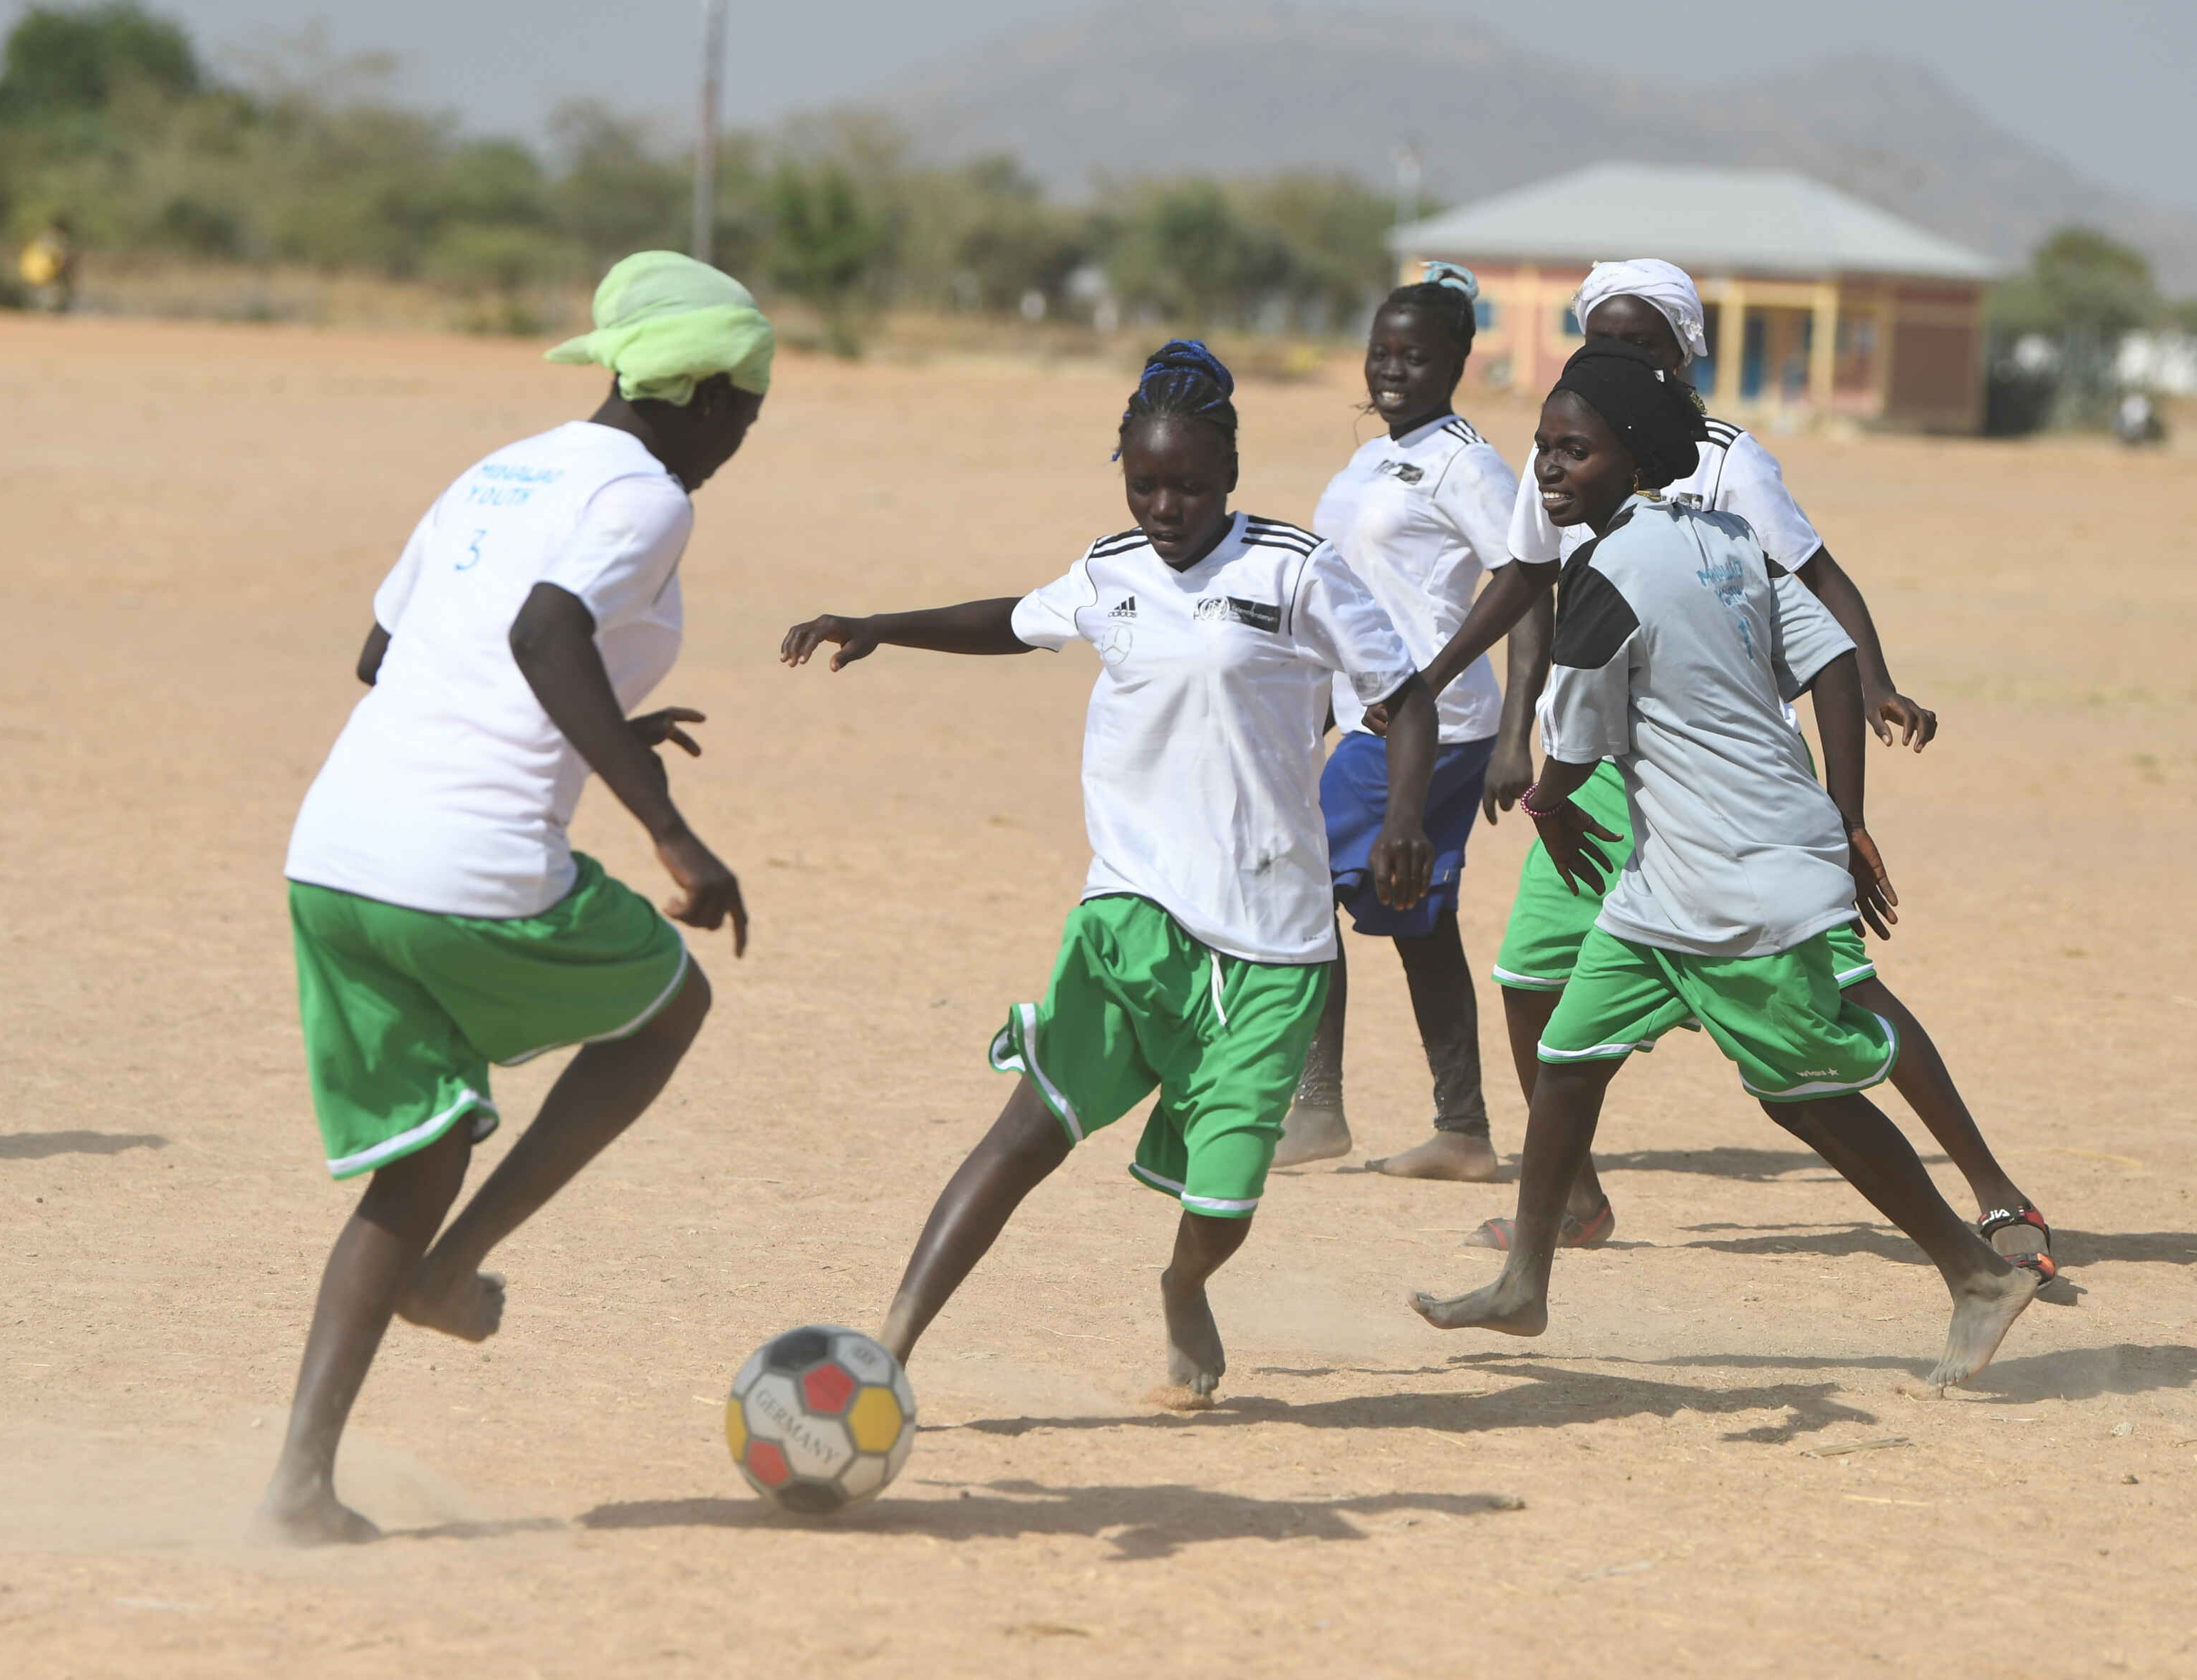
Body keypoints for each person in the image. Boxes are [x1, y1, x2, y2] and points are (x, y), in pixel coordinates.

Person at [781, 342, 1438, 1399]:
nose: (1165, 505)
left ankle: (1184, 1284)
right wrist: (882, 627)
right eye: (1144, 484)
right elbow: (1016, 618)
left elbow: (1404, 697)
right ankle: (886, 1348)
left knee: (1223, 1201)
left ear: (1228, 473)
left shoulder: (1294, 569)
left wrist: (1404, 815)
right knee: (1023, 1132)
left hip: (1272, 937)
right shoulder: (1111, 569)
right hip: (1130, 913)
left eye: (1186, 484)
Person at [1396, 259, 2052, 1285]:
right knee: (1531, 980)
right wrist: (1447, 691)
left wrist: (1860, 751)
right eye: (1600, 339)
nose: (1616, 360)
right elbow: (1527, 582)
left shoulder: (1720, 470)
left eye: (1639, 344)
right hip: (1605, 771)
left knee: (1827, 1018)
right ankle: (1566, 1210)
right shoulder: (1569, 451)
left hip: (1724, 781)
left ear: (1679, 357)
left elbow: (1817, 591)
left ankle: (1994, 1198)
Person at [260, 252, 770, 1544]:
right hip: (461, 867)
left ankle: (298, 1486)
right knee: (667, 1004)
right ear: (701, 393)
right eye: (743, 411)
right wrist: (669, 829)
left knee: (420, 1146)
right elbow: (545, 635)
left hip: (334, 855)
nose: (739, 440)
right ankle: (449, 1267)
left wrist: (596, 729)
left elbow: (389, 651)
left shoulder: (501, 467)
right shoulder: (649, 494)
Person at [1277, 262, 1536, 1178]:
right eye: (1380, 353)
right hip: (1368, 717)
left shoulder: (1468, 462)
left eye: (1414, 357)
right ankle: (1463, 1129)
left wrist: (1514, 734)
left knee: (1300, 883)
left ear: (1457, 361)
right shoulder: (1368, 458)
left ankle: (1313, 1110)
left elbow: (1527, 576)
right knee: (1421, 920)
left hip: (1439, 724)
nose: (1390, 371)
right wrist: (1312, 708)